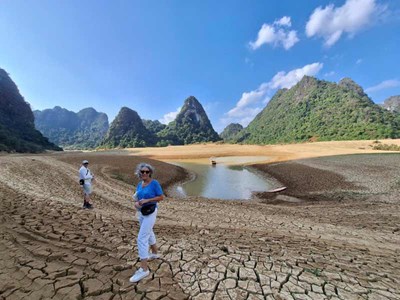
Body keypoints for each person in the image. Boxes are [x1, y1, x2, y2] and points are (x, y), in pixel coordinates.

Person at [129, 163, 164, 283]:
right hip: (141, 212)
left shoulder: (154, 183)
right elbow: (138, 197)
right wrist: (137, 203)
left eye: (146, 171)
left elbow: (161, 197)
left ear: (150, 173)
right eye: (142, 172)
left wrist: (148, 200)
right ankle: (154, 253)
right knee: (149, 232)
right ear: (140, 173)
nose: (144, 173)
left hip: (151, 211)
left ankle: (144, 269)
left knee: (141, 238)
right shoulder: (140, 184)